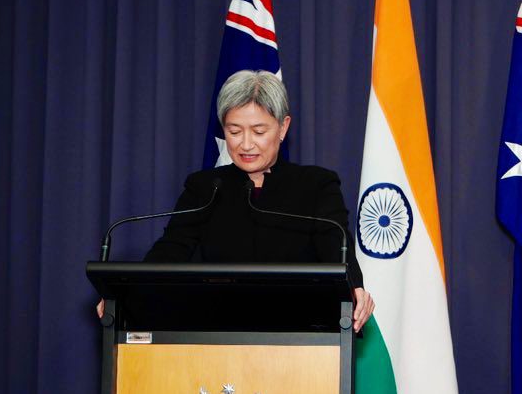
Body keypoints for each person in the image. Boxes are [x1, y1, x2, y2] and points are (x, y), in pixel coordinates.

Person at [96, 70, 374, 331]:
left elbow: (336, 247)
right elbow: (170, 253)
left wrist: (354, 288)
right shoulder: (205, 188)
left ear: (283, 127)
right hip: (216, 335)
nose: (246, 144)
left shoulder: (316, 185)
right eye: (234, 131)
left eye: (259, 131)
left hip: (302, 337)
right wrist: (127, 294)